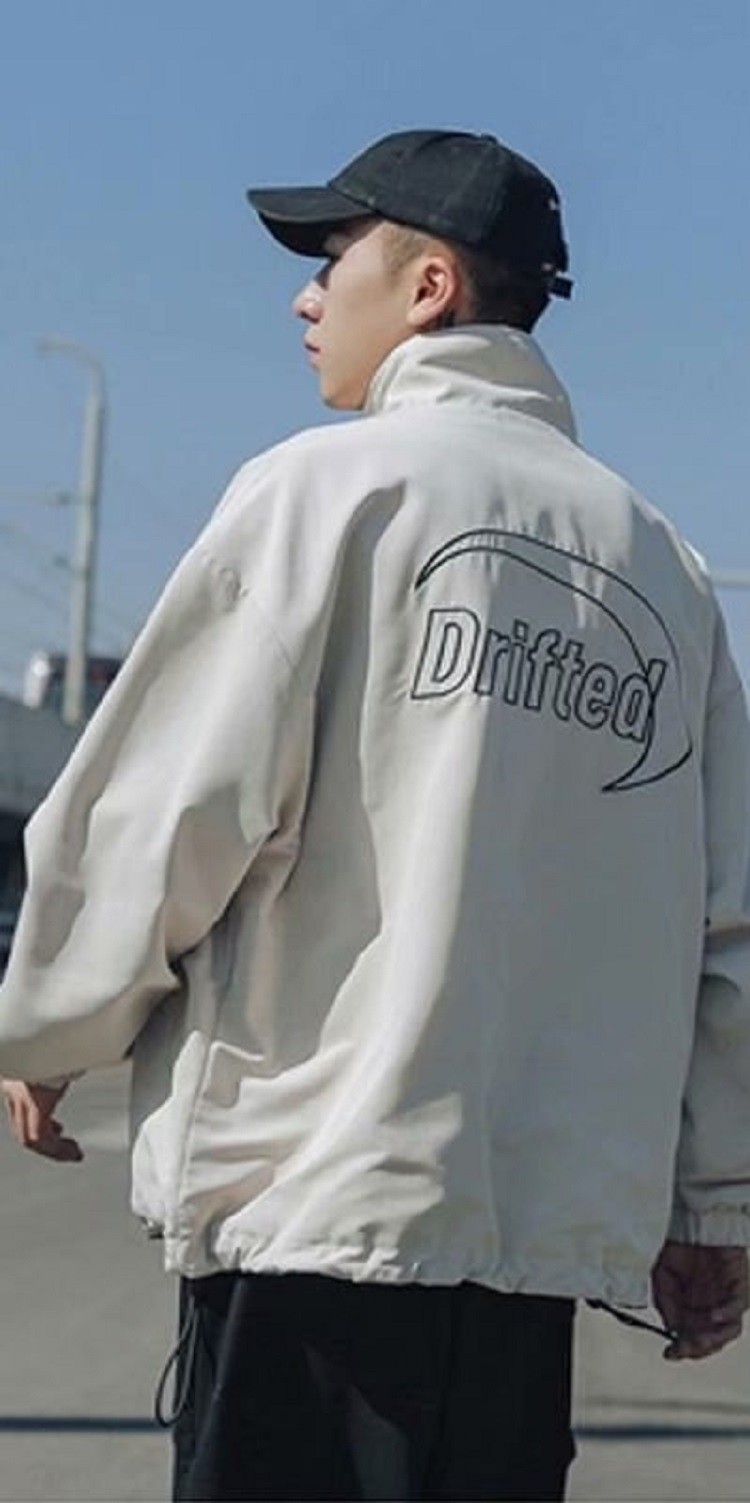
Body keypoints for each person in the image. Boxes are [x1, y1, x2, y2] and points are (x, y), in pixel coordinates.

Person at [1, 127, 749, 1502]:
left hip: (317, 1214)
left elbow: (165, 811)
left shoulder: (324, 492)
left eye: (330, 258)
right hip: (529, 1261)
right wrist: (712, 1202)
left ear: (426, 286)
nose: (304, 296)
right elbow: (723, 926)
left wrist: (53, 1023)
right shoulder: (662, 569)